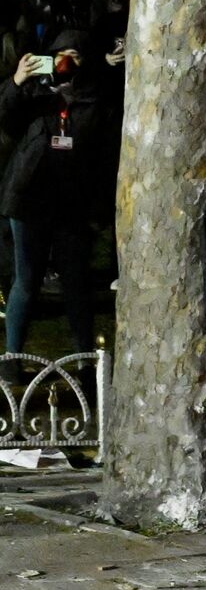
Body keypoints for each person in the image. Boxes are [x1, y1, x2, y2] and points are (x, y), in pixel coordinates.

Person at [0, 31, 117, 383]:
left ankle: (85, 363)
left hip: (72, 205)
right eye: (61, 55)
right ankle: (12, 359)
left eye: (76, 56)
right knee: (27, 280)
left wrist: (99, 211)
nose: (68, 62)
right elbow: (5, 116)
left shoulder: (96, 100)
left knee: (76, 283)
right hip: (28, 199)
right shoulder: (35, 95)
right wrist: (17, 82)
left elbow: (105, 158)